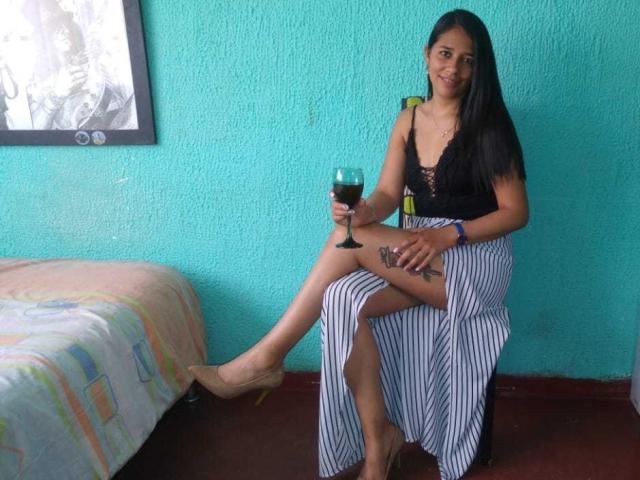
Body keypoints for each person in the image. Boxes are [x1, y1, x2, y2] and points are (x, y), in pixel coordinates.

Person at [190, 9, 528, 480]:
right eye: (445, 54)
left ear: (479, 68)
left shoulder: (490, 127)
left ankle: (266, 357)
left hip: (472, 259)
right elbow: (388, 194)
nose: (453, 68)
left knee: (345, 240)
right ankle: (379, 443)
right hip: (417, 253)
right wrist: (364, 212)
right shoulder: (408, 120)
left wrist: (447, 234)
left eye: (467, 60)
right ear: (427, 55)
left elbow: (516, 212)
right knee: (342, 298)